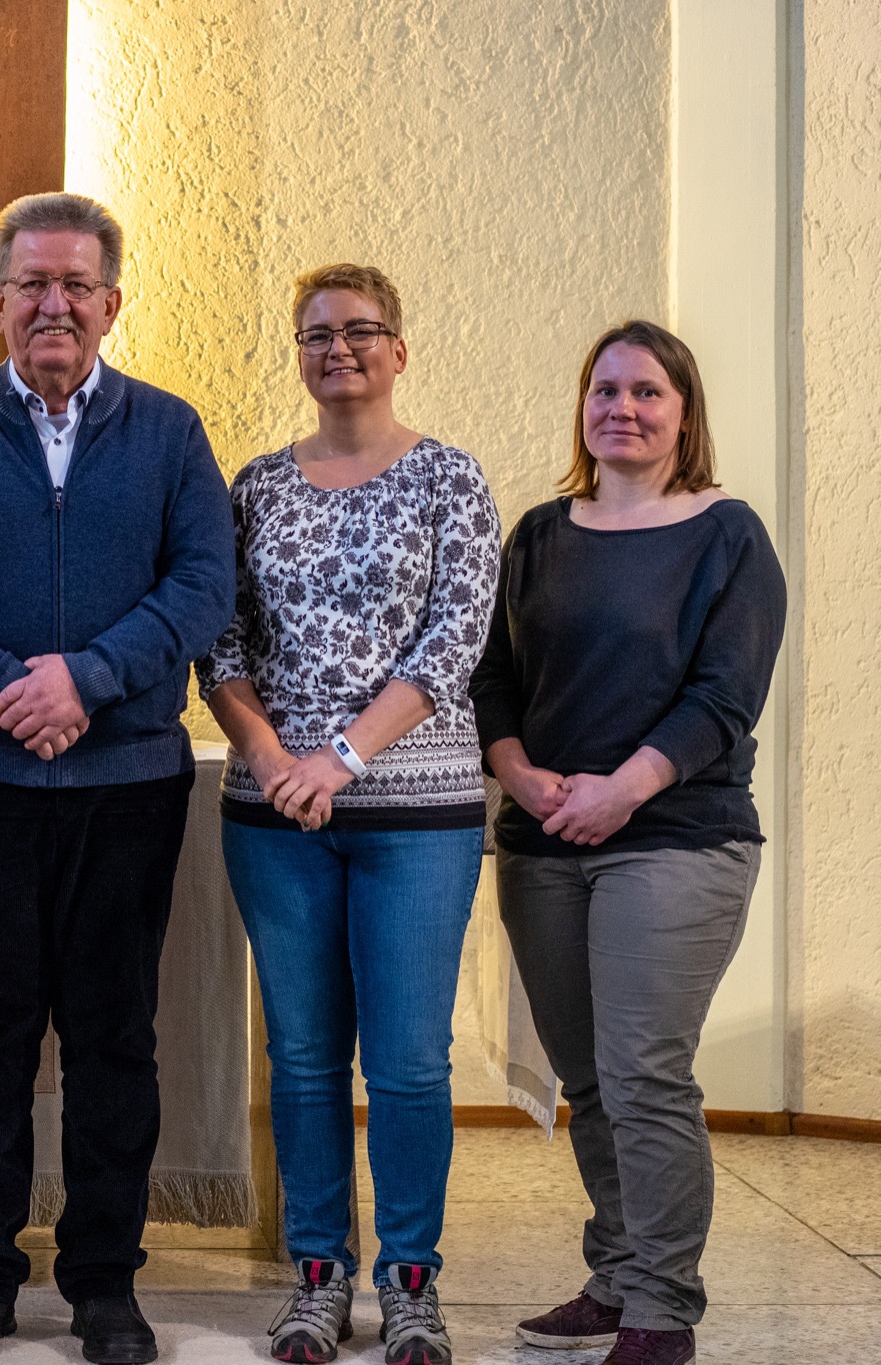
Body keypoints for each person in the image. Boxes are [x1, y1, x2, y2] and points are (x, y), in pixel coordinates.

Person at [0, 193, 234, 1365]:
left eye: (75, 285)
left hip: (125, 778)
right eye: (30, 284)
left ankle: (103, 1283)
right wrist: (4, 688)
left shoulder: (170, 434)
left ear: (111, 304)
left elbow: (199, 587)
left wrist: (86, 679)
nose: (52, 304)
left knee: (113, 1036)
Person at [196, 265, 500, 1365]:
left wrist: (338, 757)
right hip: (273, 811)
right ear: (298, 353)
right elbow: (219, 642)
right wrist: (274, 756)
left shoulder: (448, 481)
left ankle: (410, 1283)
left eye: (361, 330)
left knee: (409, 1061)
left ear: (399, 348)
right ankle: (316, 1276)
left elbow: (452, 641)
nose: (338, 349)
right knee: (305, 1057)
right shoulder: (255, 487)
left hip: (414, 807)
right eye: (315, 334)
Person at [470, 321, 784, 1365]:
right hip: (543, 841)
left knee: (644, 1070)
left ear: (682, 413)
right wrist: (516, 774)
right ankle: (614, 1275)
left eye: (647, 392)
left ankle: (660, 1307)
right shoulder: (538, 535)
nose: (623, 409)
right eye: (603, 391)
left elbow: (722, 700)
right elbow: (493, 681)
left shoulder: (726, 536)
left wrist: (624, 789)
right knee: (589, 1079)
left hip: (675, 839)